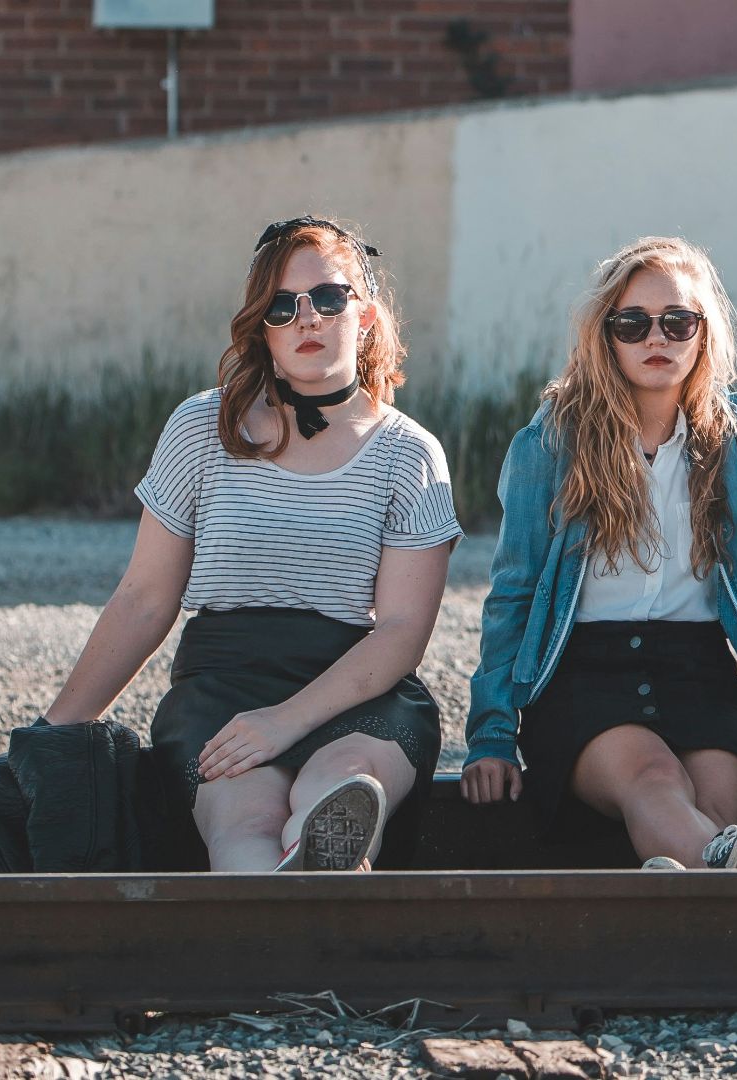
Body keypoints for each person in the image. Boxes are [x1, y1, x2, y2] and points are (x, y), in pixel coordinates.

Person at [37, 215, 459, 871]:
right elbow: (146, 599)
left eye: (327, 298)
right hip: (224, 684)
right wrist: (56, 730)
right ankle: (280, 920)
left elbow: (402, 631)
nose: (306, 320)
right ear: (261, 325)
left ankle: (321, 860)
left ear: (367, 314)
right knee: (243, 821)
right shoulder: (203, 426)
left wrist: (287, 720)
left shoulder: (410, 455)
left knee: (347, 786)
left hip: (358, 685)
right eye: (282, 307)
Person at [461, 236, 737, 870]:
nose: (656, 337)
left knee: (715, 806)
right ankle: (731, 883)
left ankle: (697, 882)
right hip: (585, 671)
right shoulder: (549, 444)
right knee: (656, 781)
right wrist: (490, 733)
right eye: (633, 323)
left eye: (678, 321)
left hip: (700, 671)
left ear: (702, 334)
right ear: (606, 334)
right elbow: (513, 594)